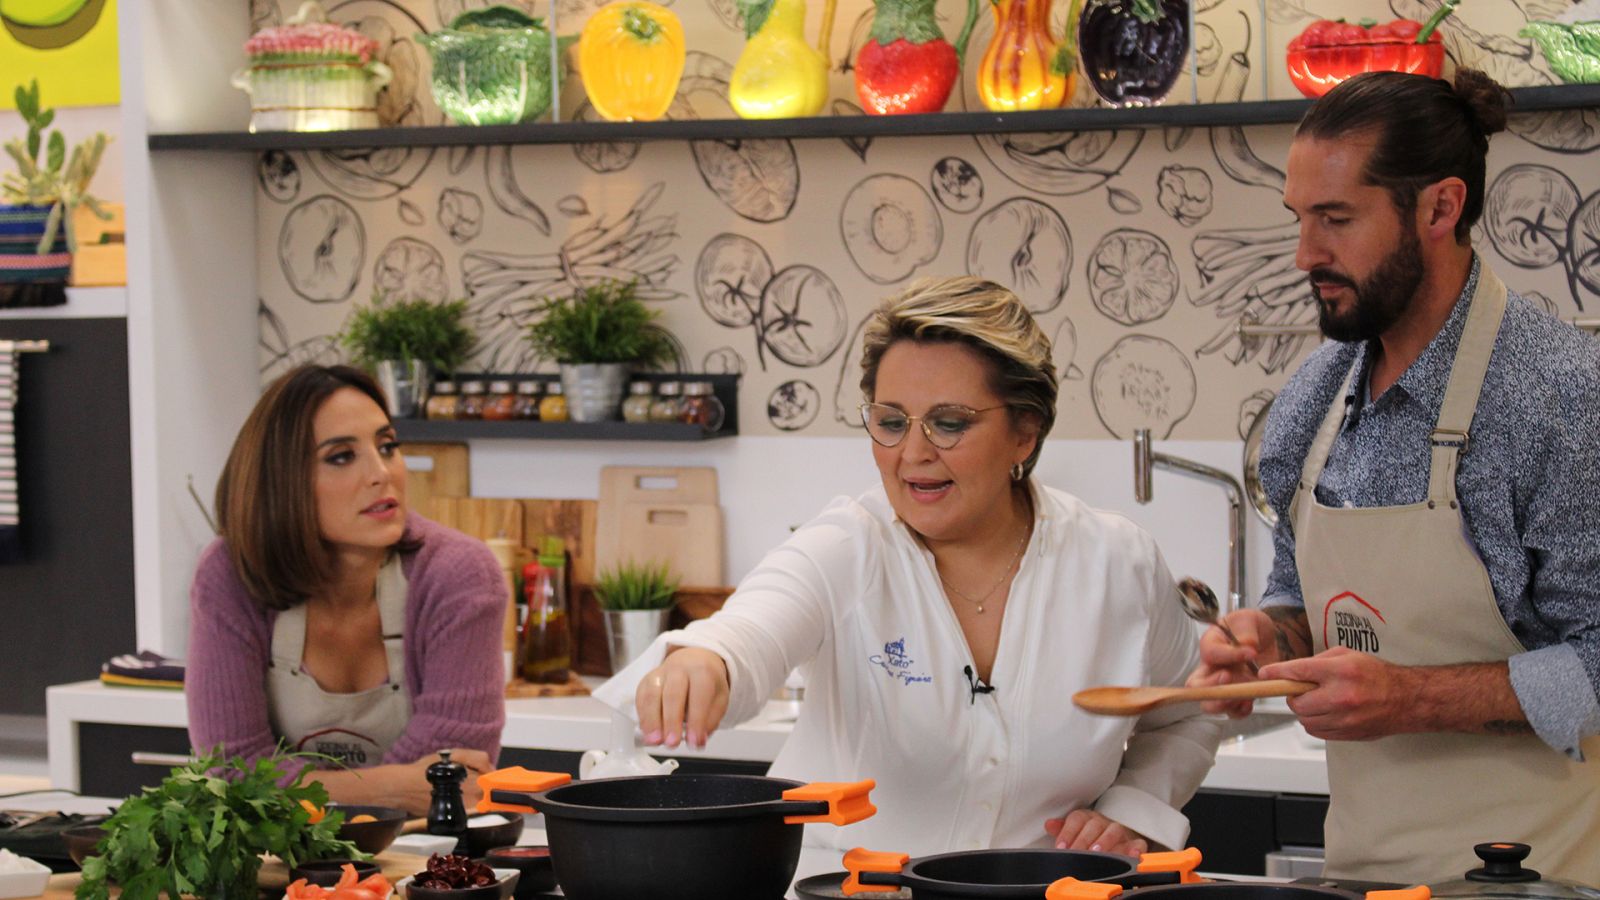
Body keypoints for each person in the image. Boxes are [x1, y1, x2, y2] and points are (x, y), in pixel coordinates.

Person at [594, 277, 1219, 857]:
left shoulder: (1117, 564)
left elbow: (1190, 710)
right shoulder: (848, 544)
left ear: (1025, 433)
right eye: (891, 422)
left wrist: (1138, 807)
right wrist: (706, 662)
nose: (913, 454)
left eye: (949, 424)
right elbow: (750, 630)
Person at [1187, 69, 1600, 885]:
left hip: (1543, 878)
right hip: (1364, 871)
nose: (1306, 253)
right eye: (1300, 218)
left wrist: (1411, 700)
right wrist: (1266, 641)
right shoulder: (1311, 400)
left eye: (1337, 219)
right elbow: (1304, 599)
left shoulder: (1562, 397)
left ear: (1440, 208)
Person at [187, 364, 508, 815]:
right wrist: (392, 788)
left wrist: (299, 793)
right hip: (277, 862)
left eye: (387, 446)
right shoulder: (229, 574)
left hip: (425, 864)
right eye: (341, 456)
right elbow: (231, 775)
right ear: (282, 480)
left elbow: (455, 778)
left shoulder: (459, 576)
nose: (382, 473)